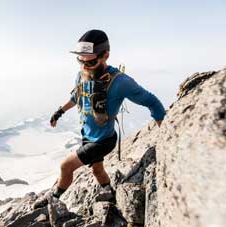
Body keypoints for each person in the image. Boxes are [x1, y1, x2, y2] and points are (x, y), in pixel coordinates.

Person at [35, 29, 166, 207]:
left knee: (66, 166)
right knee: (97, 169)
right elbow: (77, 97)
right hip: (88, 136)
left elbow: (152, 102)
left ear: (105, 56)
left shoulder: (120, 82)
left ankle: (53, 199)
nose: (84, 66)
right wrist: (59, 112)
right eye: (80, 60)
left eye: (90, 62)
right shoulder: (82, 74)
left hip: (103, 140)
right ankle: (109, 192)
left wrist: (166, 132)